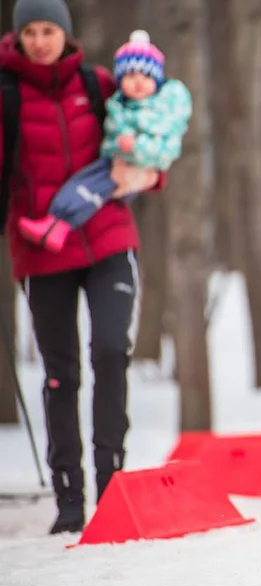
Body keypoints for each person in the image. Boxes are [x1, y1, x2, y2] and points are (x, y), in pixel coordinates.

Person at [0, 0, 166, 534]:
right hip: (41, 246)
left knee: (114, 351)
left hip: (107, 237)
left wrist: (147, 171)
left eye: (50, 29)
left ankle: (112, 484)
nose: (41, 40)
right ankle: (69, 496)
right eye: (32, 31)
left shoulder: (96, 84)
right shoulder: (6, 93)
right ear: (19, 36)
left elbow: (147, 132)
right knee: (59, 373)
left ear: (65, 34)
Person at [17, 29, 191, 252]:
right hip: (113, 161)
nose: (138, 83)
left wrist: (137, 150)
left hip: (130, 166)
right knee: (84, 185)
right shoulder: (119, 104)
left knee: (88, 188)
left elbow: (166, 149)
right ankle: (57, 223)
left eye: (146, 76)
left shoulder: (161, 112)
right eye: (130, 76)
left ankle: (60, 223)